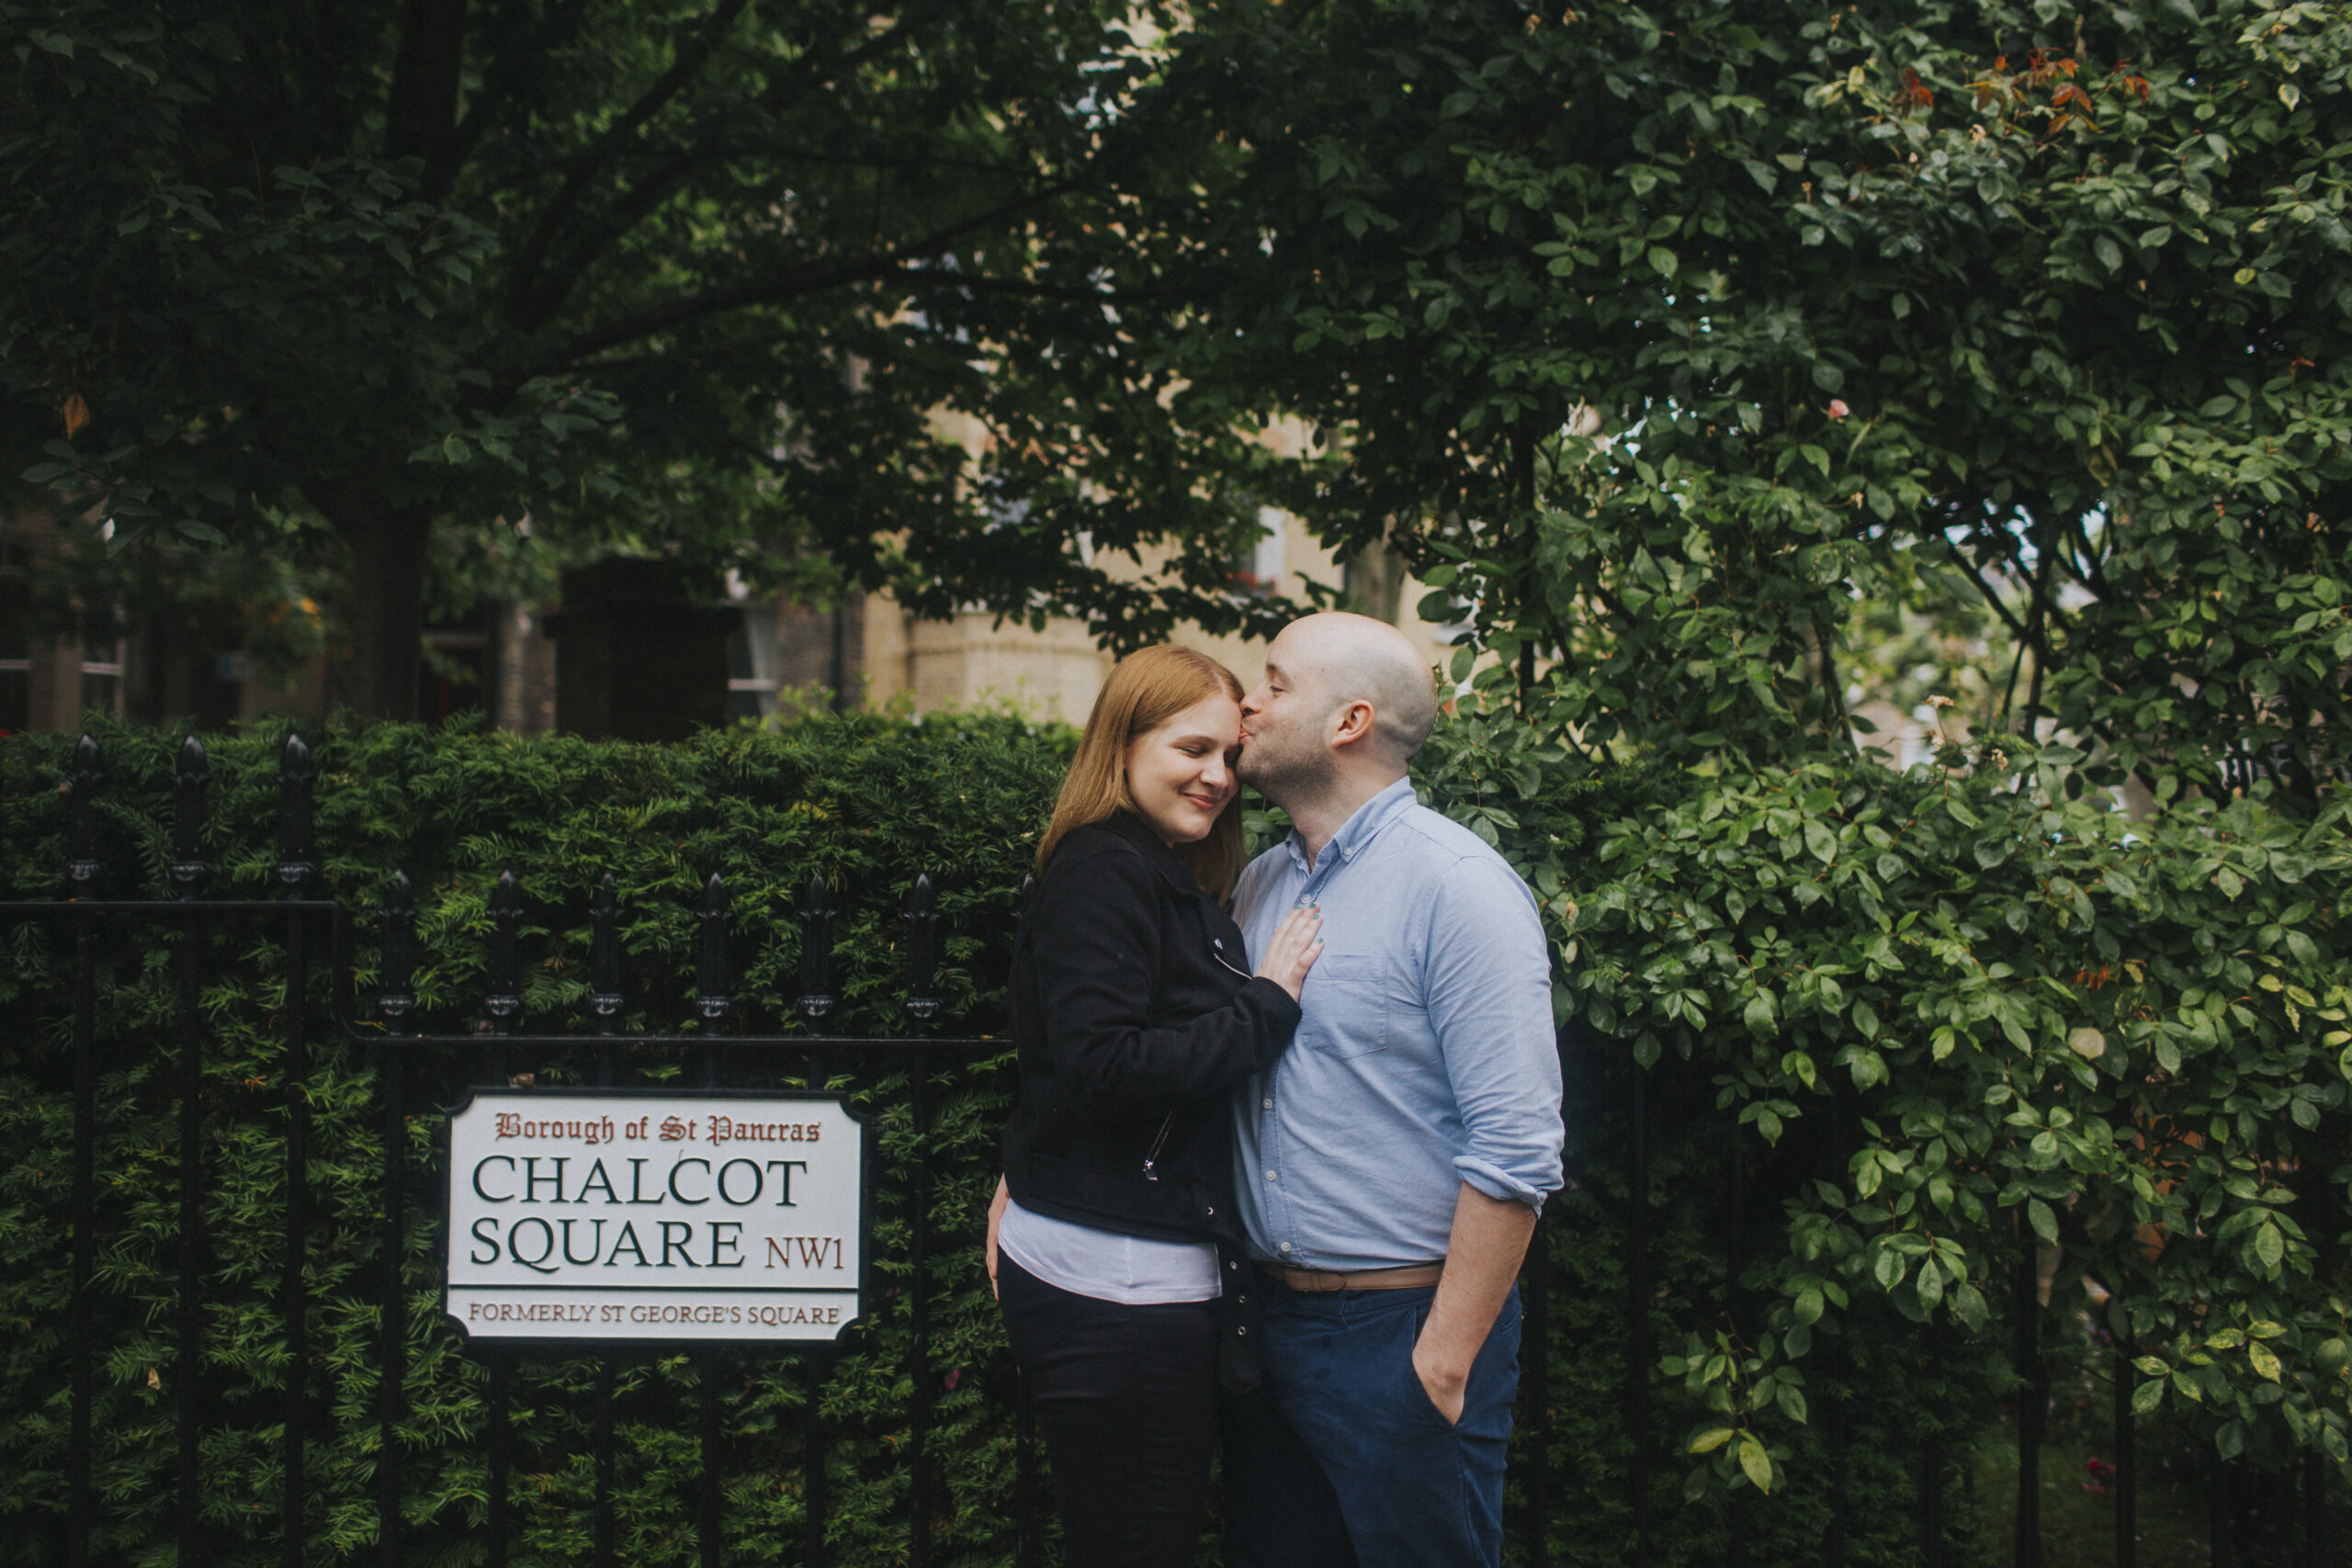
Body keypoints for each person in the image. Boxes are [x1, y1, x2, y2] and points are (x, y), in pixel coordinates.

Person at [1222, 612, 1565, 1568]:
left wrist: (1440, 1363)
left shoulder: (1458, 888)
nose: (1249, 700)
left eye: (1276, 682)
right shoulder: (1256, 887)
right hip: (1264, 1332)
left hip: (1400, 1336)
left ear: (1349, 721)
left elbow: (1516, 1145)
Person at [984, 643, 1326, 1568]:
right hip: (1114, 1289)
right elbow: (1104, 1065)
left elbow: (1058, 1065)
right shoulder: (1106, 870)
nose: (1216, 777)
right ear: (1122, 743)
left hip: (1135, 1271)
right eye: (1190, 750)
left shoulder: (1162, 875)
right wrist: (1268, 1002)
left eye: (1228, 759)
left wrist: (1022, 1169)